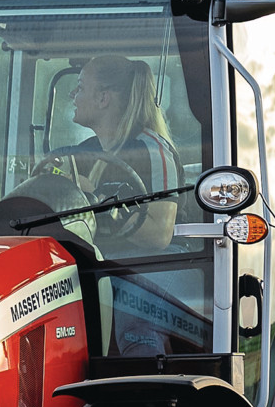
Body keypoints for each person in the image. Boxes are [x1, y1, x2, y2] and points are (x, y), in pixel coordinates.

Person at [56, 55, 182, 256]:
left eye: (80, 87)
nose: (72, 94)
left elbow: (159, 236)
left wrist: (94, 199)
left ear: (103, 98)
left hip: (149, 272)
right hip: (100, 264)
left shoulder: (151, 149)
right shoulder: (83, 151)